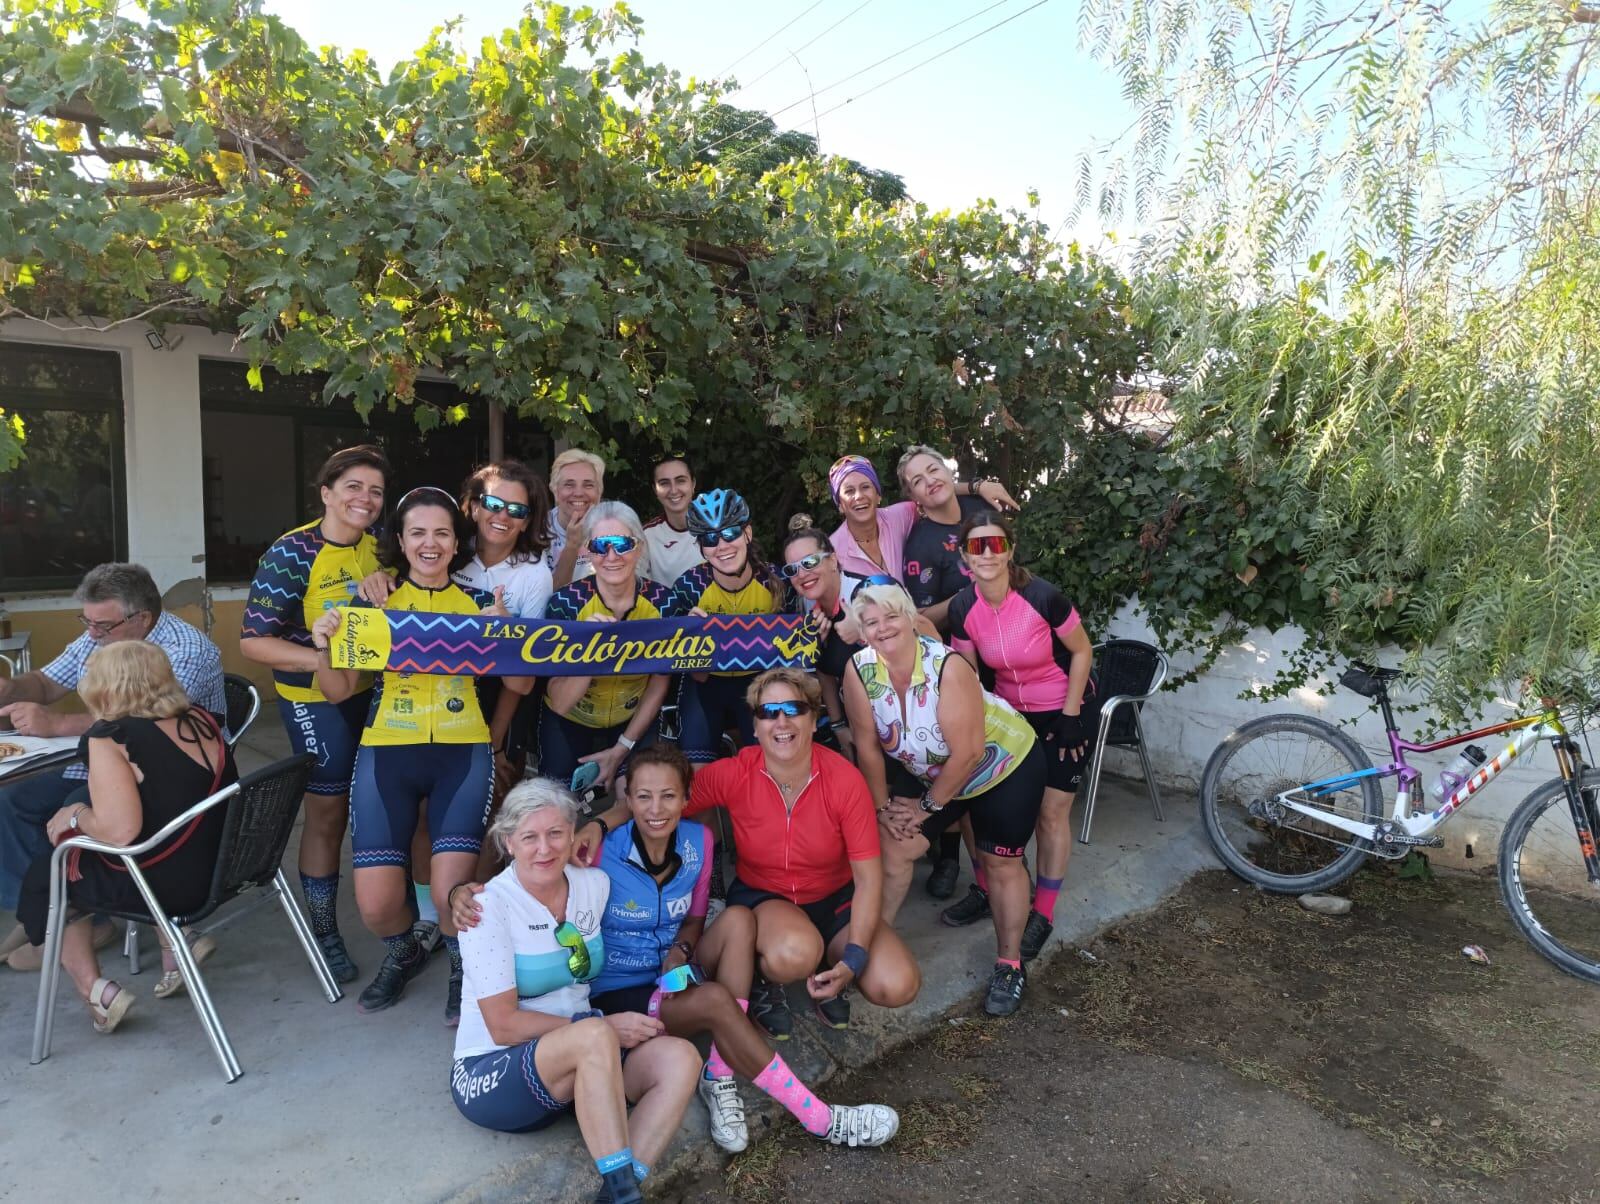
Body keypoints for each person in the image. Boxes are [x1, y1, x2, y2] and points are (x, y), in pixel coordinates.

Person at [450, 744, 900, 1154]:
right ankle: (816, 1117)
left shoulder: (699, 843)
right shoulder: (598, 854)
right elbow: (534, 864)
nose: (655, 809)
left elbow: (695, 919)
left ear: (688, 799)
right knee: (715, 1001)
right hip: (618, 993)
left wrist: (682, 950)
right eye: (642, 797)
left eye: (668, 796)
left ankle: (720, 1069)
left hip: (670, 974)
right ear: (628, 798)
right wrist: (461, 893)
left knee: (739, 920)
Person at [579, 668, 921, 1039]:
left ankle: (830, 968)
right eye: (768, 711)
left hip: (835, 898)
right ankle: (763, 976)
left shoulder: (844, 779)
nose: (781, 721)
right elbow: (660, 798)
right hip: (767, 895)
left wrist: (853, 960)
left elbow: (869, 878)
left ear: (812, 717)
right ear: (754, 726)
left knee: (897, 984)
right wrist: (601, 823)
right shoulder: (736, 772)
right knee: (794, 952)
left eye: (794, 708)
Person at [311, 486, 531, 1023]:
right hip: (387, 752)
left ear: (456, 543)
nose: (430, 544)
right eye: (417, 533)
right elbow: (339, 690)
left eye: (441, 534)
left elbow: (521, 683)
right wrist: (323, 643)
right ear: (402, 542)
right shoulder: (375, 602)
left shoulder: (481, 603)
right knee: (377, 907)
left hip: (462, 752)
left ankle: (463, 964)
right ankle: (405, 950)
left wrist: (505, 636)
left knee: (453, 892)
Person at [447, 778, 699, 1204]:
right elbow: (503, 1026)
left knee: (681, 1057)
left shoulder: (593, 885)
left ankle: (617, 1190)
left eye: (555, 834)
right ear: (508, 842)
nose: (544, 849)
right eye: (529, 837)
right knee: (596, 1034)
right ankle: (626, 1197)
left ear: (572, 836)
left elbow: (623, 812)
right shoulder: (486, 908)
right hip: (491, 1071)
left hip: (582, 1058)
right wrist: (597, 1027)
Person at [0, 562, 227, 968]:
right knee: (13, 801)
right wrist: (11, 688)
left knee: (69, 813)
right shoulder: (105, 629)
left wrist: (58, 725)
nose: (91, 634)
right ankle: (48, 915)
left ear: (141, 618)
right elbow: (50, 682)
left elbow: (149, 725)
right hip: (107, 760)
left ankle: (66, 914)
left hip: (163, 778)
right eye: (85, 621)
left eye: (101, 626)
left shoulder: (187, 650)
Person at [842, 583, 1046, 1018]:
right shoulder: (859, 671)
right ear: (861, 632)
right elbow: (868, 746)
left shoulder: (946, 667)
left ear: (911, 617)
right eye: (871, 622)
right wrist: (882, 811)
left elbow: (970, 751)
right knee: (894, 849)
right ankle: (865, 951)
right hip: (937, 773)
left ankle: (1010, 964)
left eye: (891, 616)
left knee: (999, 862)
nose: (883, 628)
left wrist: (925, 808)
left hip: (1000, 765)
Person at [15, 641, 238, 1033]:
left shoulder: (112, 737)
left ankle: (98, 993)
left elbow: (120, 833)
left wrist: (75, 815)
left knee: (51, 873)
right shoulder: (200, 719)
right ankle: (175, 947)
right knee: (69, 858)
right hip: (223, 864)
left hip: (168, 884)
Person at [240, 444, 389, 984]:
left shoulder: (379, 548)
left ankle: (399, 921)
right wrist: (321, 656)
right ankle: (324, 932)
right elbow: (254, 641)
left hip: (372, 695)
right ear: (326, 493)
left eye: (374, 491)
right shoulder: (292, 552)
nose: (365, 499)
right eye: (353, 487)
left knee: (380, 803)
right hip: (311, 699)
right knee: (326, 814)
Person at [947, 511, 1094, 963]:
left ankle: (1042, 913)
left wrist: (1071, 715)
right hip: (1009, 718)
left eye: (996, 544)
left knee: (1050, 815)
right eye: (976, 546)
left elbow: (1082, 650)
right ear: (964, 558)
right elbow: (967, 677)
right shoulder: (961, 608)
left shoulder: (1043, 596)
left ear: (1010, 549)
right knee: (979, 809)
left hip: (1063, 710)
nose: (987, 554)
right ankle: (991, 889)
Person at [897, 445, 1015, 902]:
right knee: (954, 761)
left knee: (1001, 756)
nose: (930, 480)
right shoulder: (920, 544)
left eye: (934, 469)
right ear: (914, 498)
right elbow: (923, 615)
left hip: (1007, 655)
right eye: (917, 480)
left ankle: (1001, 858)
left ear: (948, 472)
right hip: (957, 665)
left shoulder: (981, 508)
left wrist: (978, 484)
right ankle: (949, 858)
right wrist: (972, 593)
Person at [540, 502, 672, 790]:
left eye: (622, 544)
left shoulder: (665, 603)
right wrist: (589, 652)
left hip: (632, 719)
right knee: (559, 807)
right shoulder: (566, 604)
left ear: (638, 547)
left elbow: (660, 682)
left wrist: (622, 748)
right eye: (601, 545)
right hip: (570, 718)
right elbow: (560, 703)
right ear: (587, 550)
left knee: (638, 799)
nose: (612, 556)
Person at [666, 490, 783, 767]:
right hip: (705, 683)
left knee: (768, 768)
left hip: (759, 682)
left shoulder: (775, 582)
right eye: (709, 538)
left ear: (747, 534)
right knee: (697, 776)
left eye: (730, 533)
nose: (721, 545)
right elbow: (689, 669)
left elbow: (797, 646)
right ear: (700, 548)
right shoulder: (688, 588)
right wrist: (690, 636)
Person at [825, 454, 1017, 582]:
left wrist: (976, 487)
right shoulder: (832, 551)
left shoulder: (899, 515)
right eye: (849, 491)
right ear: (840, 505)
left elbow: (932, 493)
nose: (859, 496)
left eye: (866, 487)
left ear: (878, 495)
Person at [642, 453, 704, 587]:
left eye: (680, 480)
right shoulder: (646, 536)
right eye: (664, 483)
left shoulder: (718, 526)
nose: (674, 490)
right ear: (655, 490)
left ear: (693, 484)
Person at [546, 449, 606, 589]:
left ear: (599, 492)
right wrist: (572, 545)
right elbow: (546, 600)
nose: (578, 493)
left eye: (588, 485)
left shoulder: (615, 528)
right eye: (569, 484)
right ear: (555, 490)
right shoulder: (536, 531)